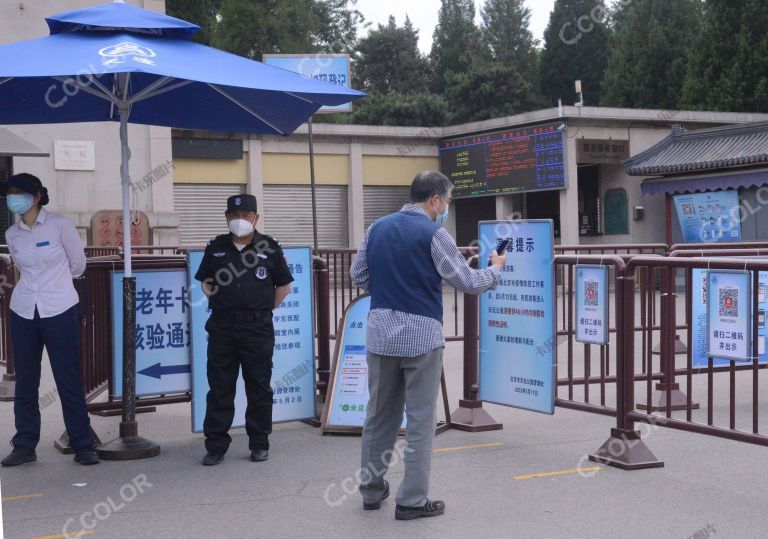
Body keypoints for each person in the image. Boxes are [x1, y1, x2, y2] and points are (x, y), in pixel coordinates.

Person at [350, 171, 506, 520]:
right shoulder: (435, 234)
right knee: (420, 419)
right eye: (447, 201)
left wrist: (390, 286)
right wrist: (495, 270)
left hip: (380, 333)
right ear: (435, 199)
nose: (447, 208)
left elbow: (358, 275)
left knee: (377, 415)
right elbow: (466, 281)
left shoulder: (376, 228)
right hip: (421, 336)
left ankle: (372, 491)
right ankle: (412, 501)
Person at [0, 173, 98, 466]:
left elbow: (78, 264)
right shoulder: (11, 234)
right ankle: (24, 444)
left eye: (18, 193)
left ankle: (82, 443)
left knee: (68, 379)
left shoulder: (60, 226)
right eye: (9, 193)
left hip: (59, 309)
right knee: (27, 381)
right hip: (24, 310)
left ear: (36, 197)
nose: (12, 198)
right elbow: (21, 269)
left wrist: (56, 285)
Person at [194, 194, 293, 466]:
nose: (241, 221)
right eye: (235, 217)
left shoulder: (269, 247)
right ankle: (215, 445)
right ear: (227, 218)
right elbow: (206, 282)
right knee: (219, 387)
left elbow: (283, 287)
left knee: (258, 387)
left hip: (257, 329)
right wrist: (221, 299)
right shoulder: (216, 247)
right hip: (222, 327)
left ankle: (259, 443)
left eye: (246, 217)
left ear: (256, 219)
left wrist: (259, 309)